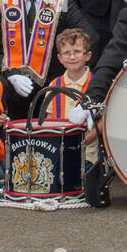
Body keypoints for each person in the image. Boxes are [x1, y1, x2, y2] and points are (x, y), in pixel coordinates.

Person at [42, 28, 100, 169]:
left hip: (87, 154)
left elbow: (101, 123)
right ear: (60, 58)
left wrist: (79, 144)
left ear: (88, 55)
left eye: (77, 52)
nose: (72, 57)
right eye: (67, 53)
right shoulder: (54, 85)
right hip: (58, 151)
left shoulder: (96, 85)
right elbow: (49, 120)